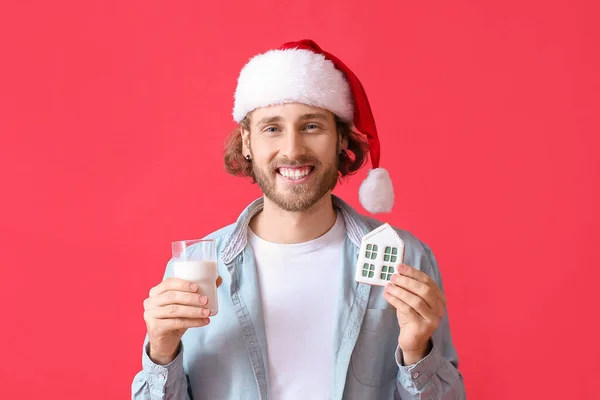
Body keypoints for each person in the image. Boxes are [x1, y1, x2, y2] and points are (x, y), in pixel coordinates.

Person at [131, 39, 466, 400]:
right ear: (247, 142)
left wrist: (417, 352)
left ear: (341, 139)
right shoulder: (192, 269)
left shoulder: (407, 258)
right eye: (272, 128)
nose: (291, 150)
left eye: (311, 126)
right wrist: (161, 354)